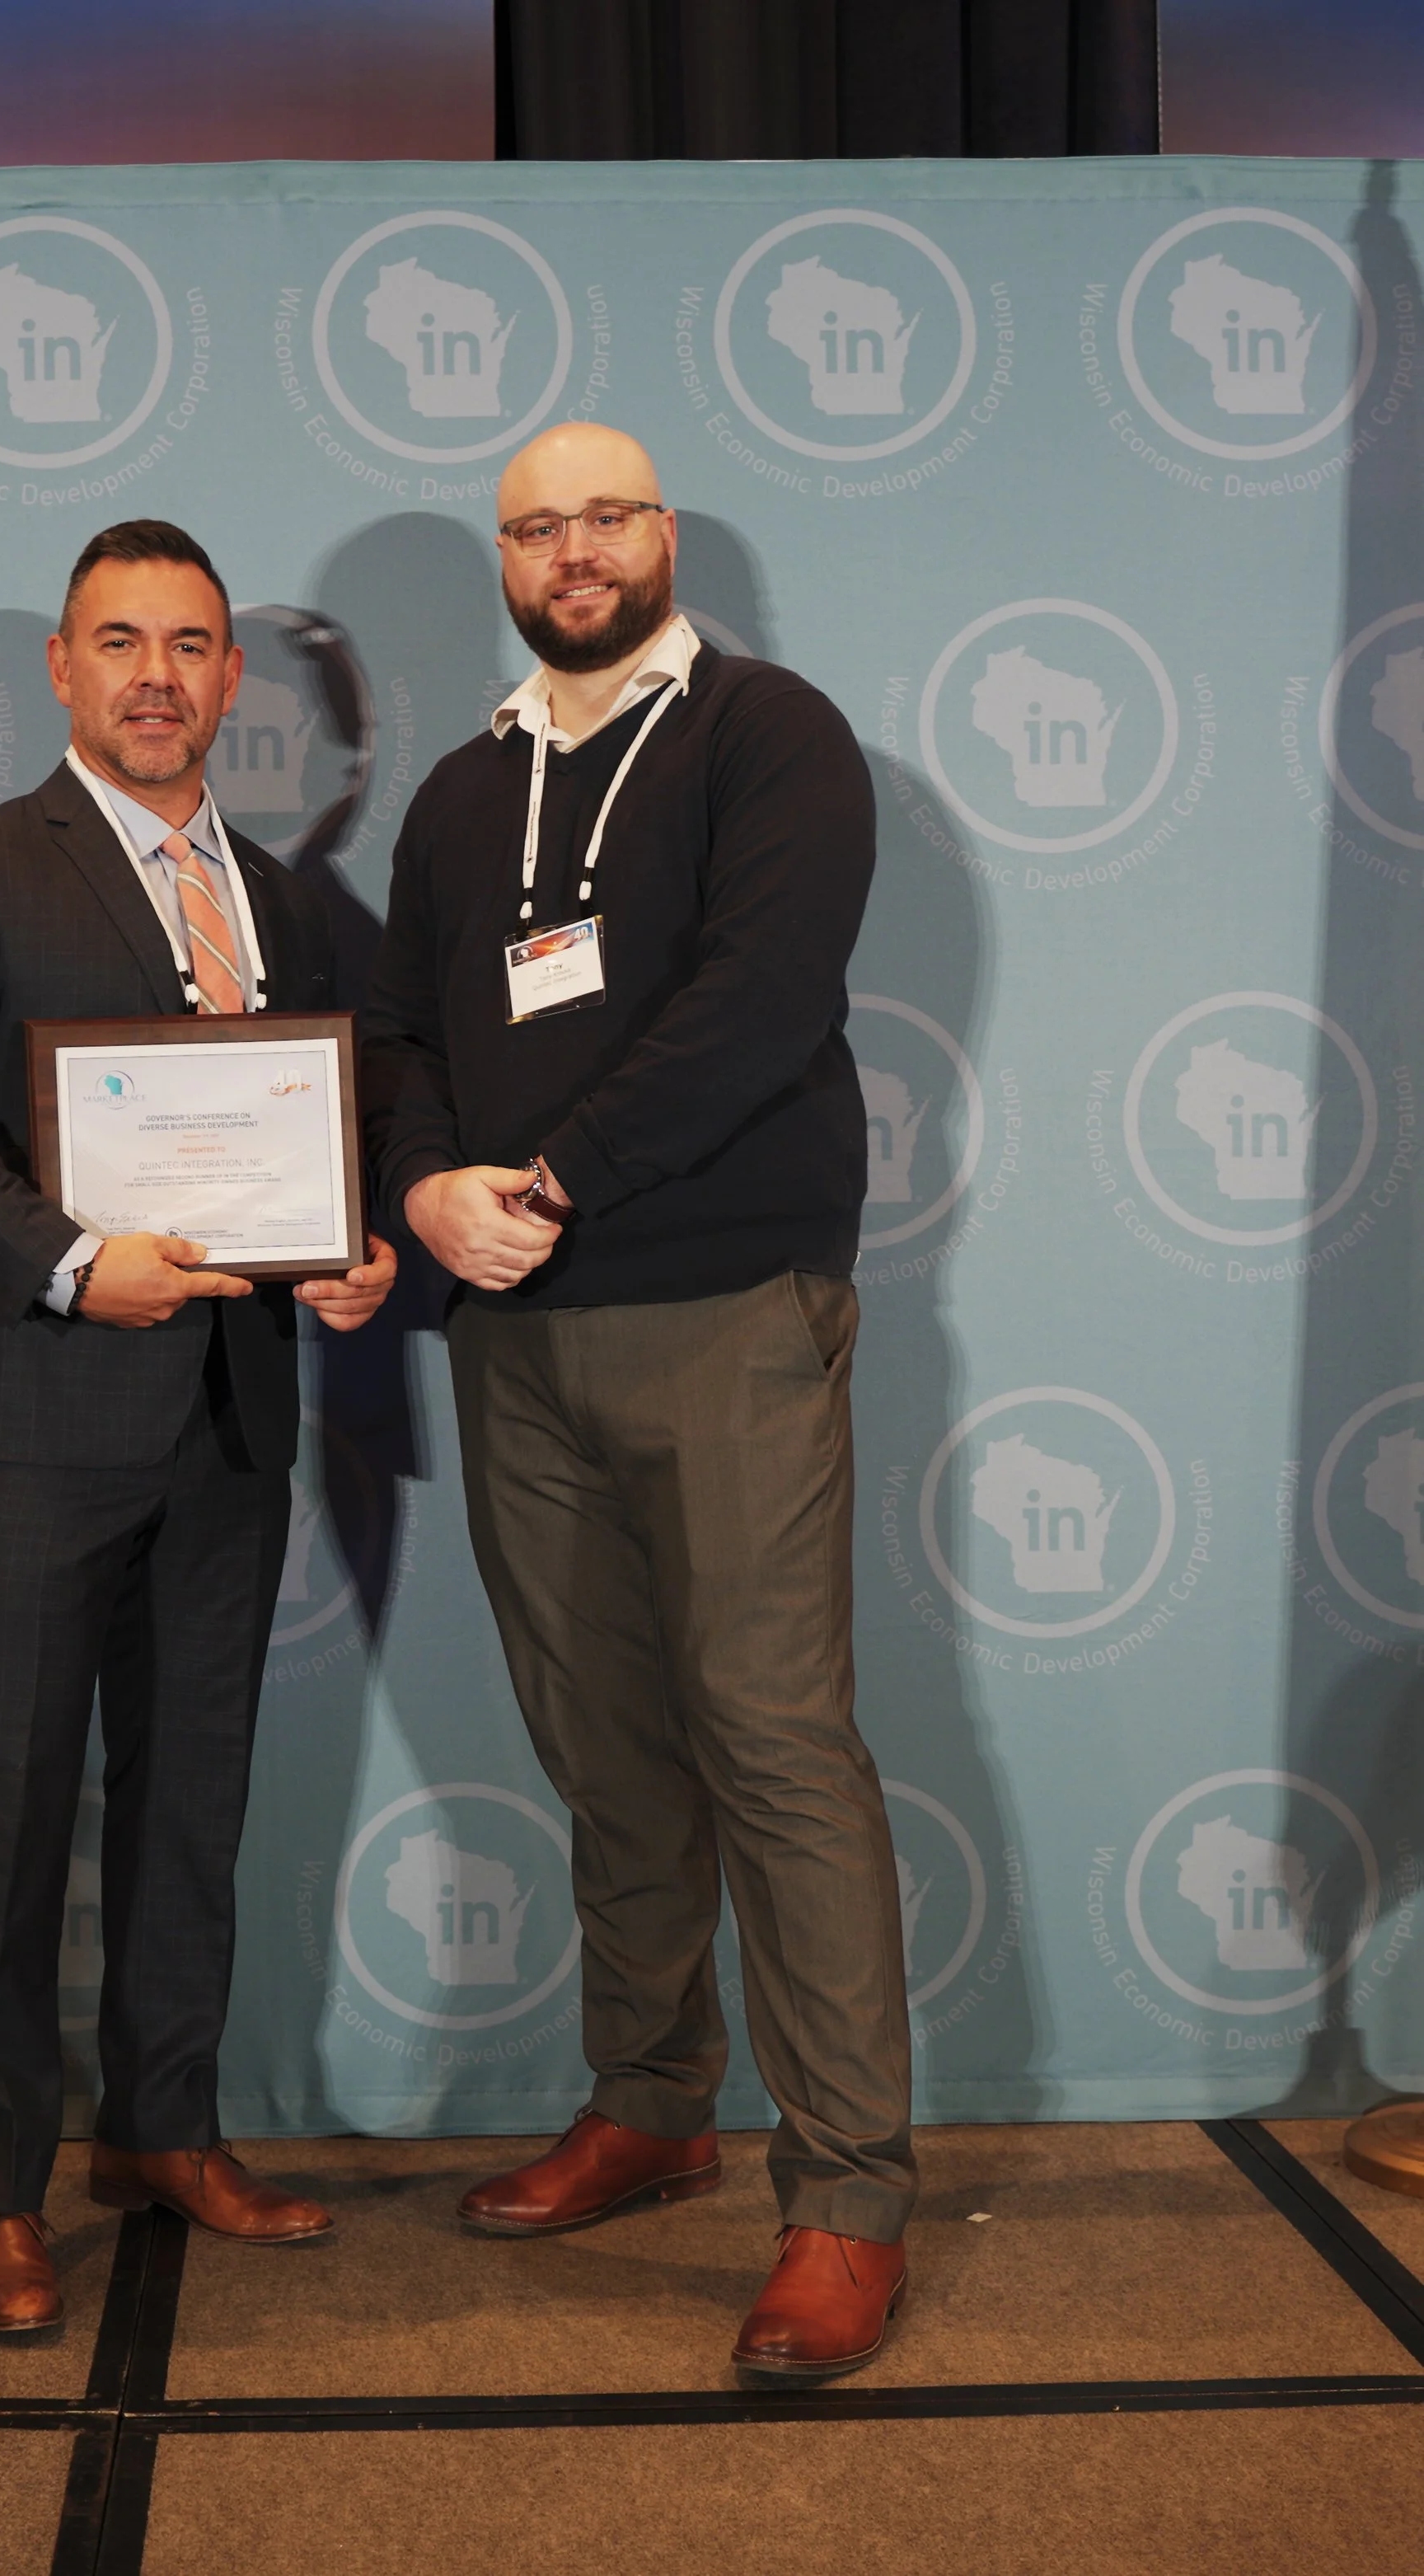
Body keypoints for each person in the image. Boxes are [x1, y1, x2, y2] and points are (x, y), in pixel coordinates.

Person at [358, 425, 915, 2383]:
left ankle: (845, 2198)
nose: (571, 551)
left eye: (603, 517)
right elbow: (405, 1031)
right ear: (503, 557)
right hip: (513, 1331)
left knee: (772, 1740)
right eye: (534, 526)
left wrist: (547, 1177)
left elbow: (759, 1000)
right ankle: (652, 2100)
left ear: (661, 534)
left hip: (725, 1308)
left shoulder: (771, 736)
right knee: (603, 1740)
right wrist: (424, 1189)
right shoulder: (459, 791)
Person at [0, 520, 396, 2336]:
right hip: (33, 1415)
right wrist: (75, 1262)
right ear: (62, 670)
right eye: (120, 640)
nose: (157, 675)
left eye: (190, 644)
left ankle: (165, 2126)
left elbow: (309, 1136)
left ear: (232, 679)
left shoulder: (281, 902)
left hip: (231, 1418)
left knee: (191, 1797)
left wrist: (350, 1248)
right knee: (3, 1808)